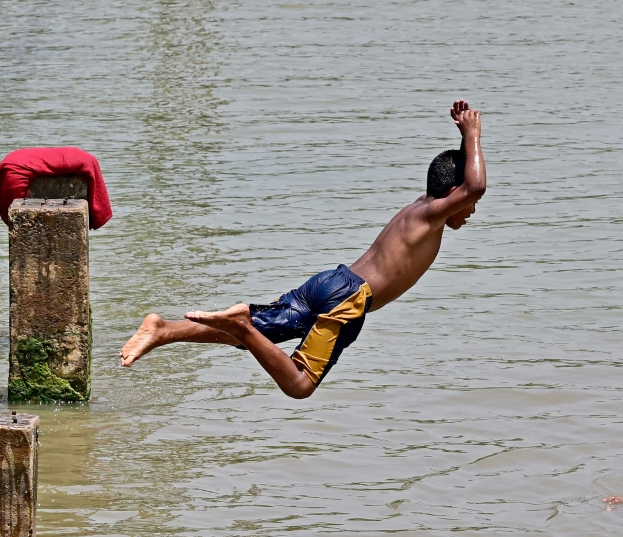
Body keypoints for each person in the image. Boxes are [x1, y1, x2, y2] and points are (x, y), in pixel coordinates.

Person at [120, 100, 486, 398]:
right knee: (299, 385)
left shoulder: (420, 206)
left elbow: (460, 182)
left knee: (258, 335)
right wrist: (473, 135)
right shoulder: (433, 215)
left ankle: (163, 330)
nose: (471, 211)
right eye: (465, 205)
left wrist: (460, 142)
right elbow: (474, 187)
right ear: (451, 195)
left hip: (331, 281)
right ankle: (240, 325)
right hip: (350, 299)